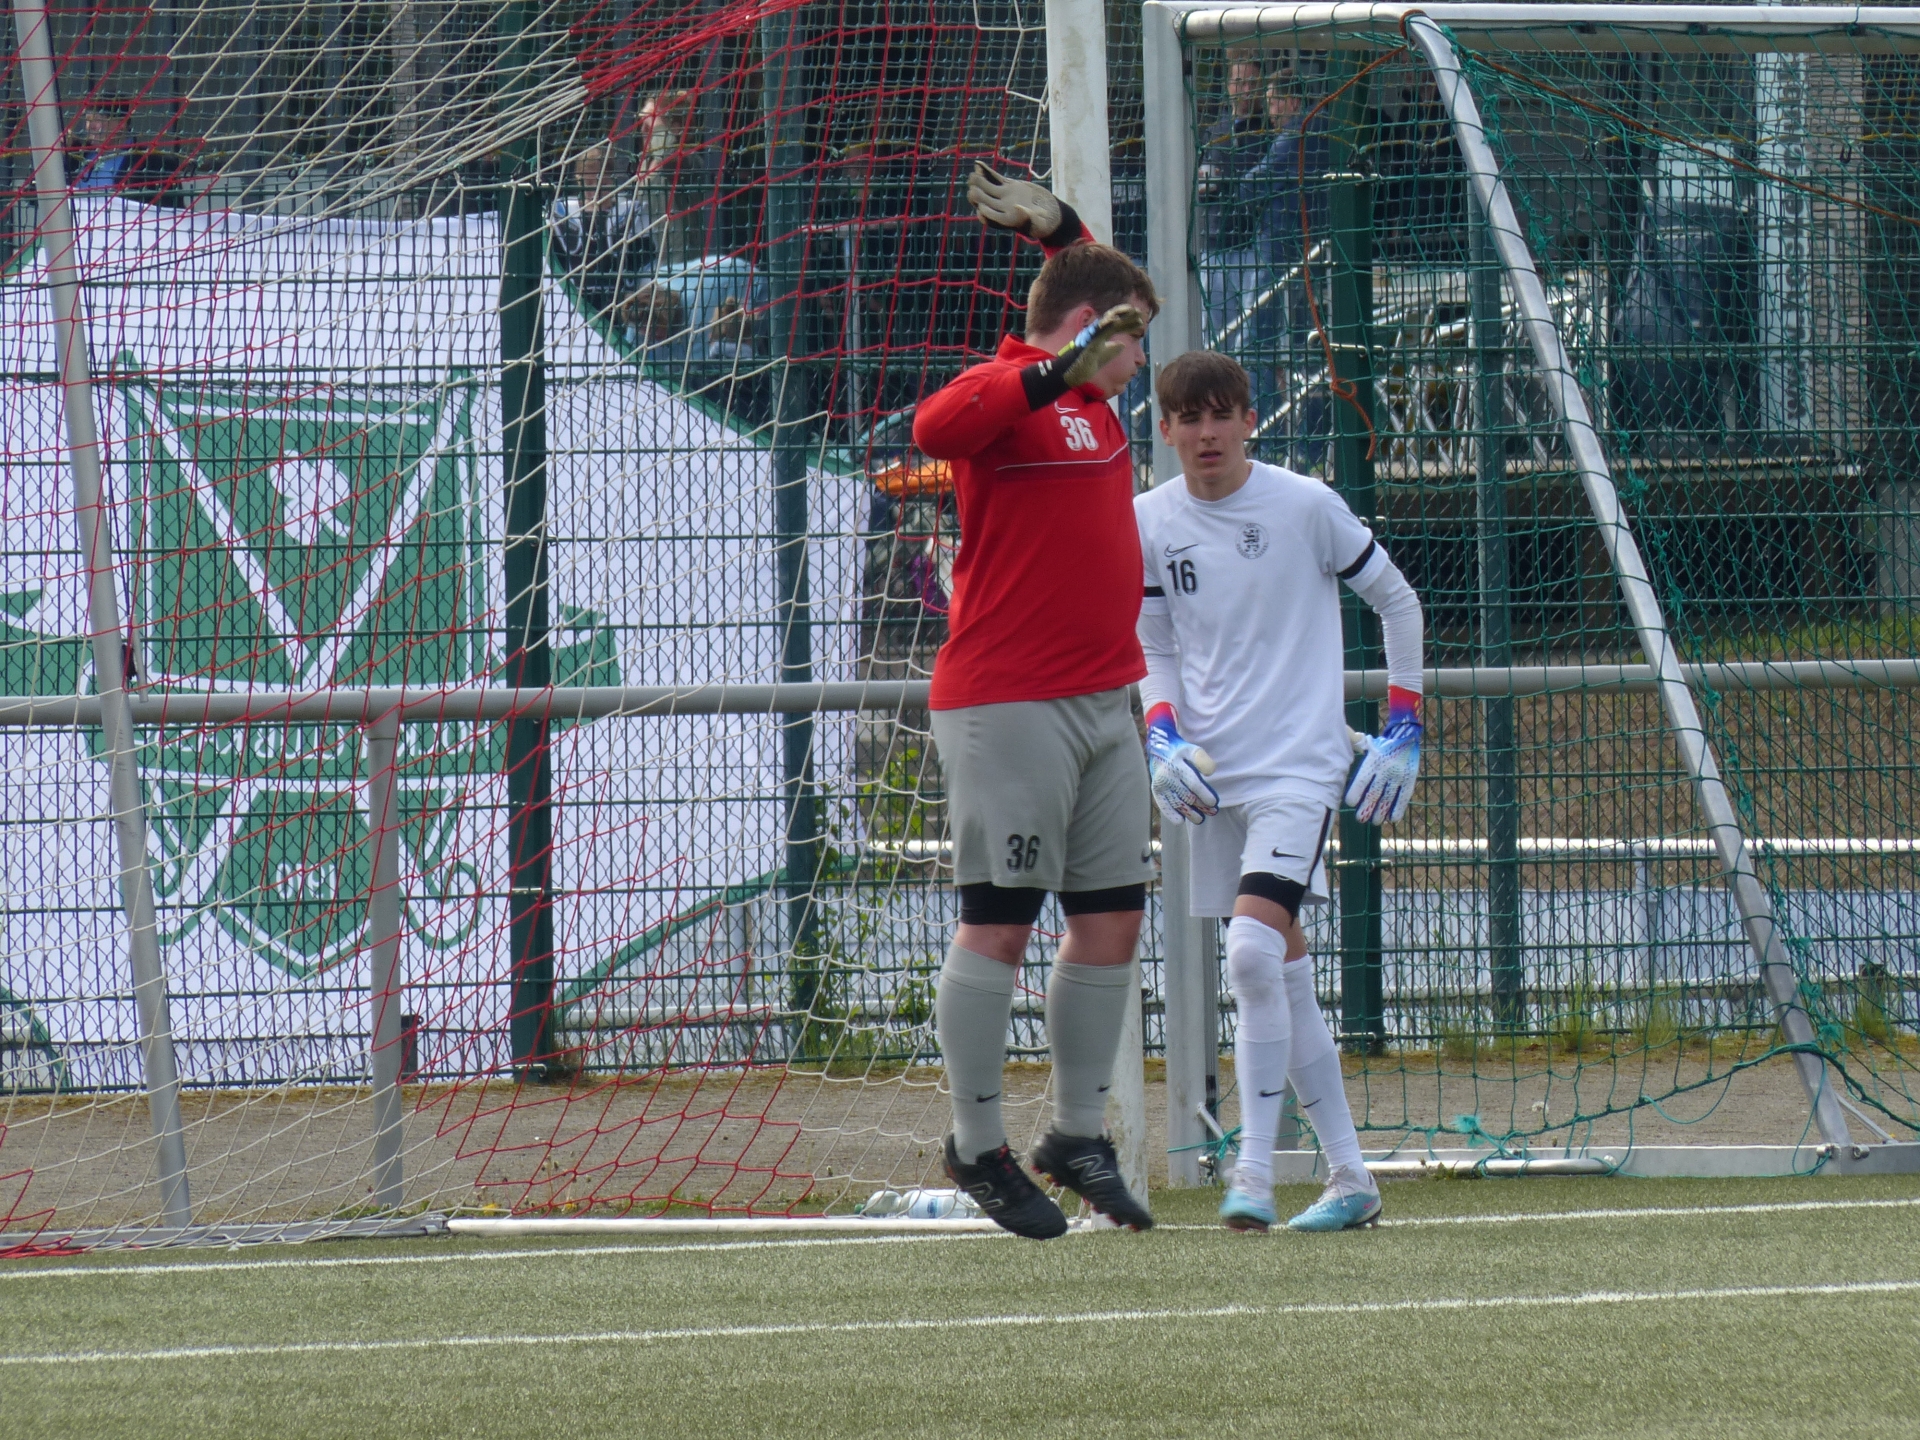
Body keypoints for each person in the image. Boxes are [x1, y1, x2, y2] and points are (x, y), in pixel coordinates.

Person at [911, 163, 1159, 1239]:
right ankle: (976, 1144)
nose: (1140, 363)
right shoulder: (1018, 388)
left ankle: (1074, 1136)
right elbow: (933, 428)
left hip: (1106, 702)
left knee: (1110, 922)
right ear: (1089, 339)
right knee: (1001, 926)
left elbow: (1100, 283)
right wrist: (1067, 357)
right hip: (1009, 703)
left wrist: (1062, 230)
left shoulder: (1089, 392)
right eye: (1130, 343)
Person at [1135, 350, 1425, 1233]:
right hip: (1209, 780)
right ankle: (1351, 1178)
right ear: (1166, 429)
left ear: (1250, 420)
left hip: (1301, 768)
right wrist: (1161, 734)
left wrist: (1404, 725)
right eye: (1190, 418)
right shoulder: (1147, 519)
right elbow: (1154, 642)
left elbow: (1399, 602)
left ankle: (1254, 1174)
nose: (1207, 432)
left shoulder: (1306, 506)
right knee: (1282, 971)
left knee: (1251, 957)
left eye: (1222, 414)